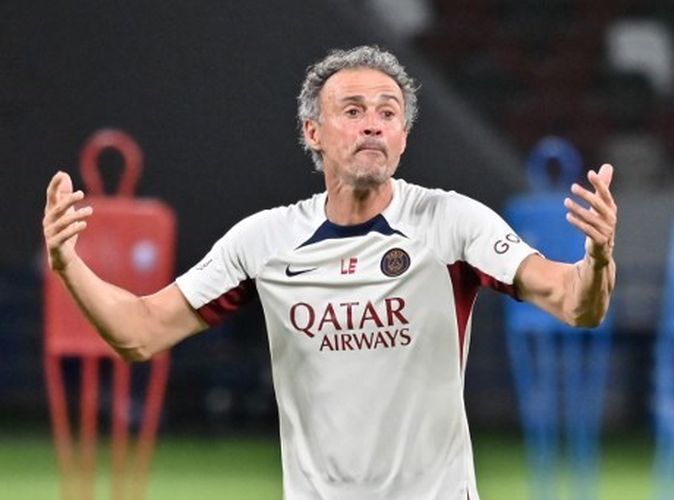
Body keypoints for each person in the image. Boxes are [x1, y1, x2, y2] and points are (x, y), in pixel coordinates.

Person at [43, 45, 616, 500]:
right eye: (353, 111)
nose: (373, 124)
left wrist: (595, 259)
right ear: (313, 133)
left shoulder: (449, 223)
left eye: (388, 113)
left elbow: (572, 302)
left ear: (403, 137)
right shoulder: (264, 241)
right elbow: (141, 332)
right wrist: (69, 264)